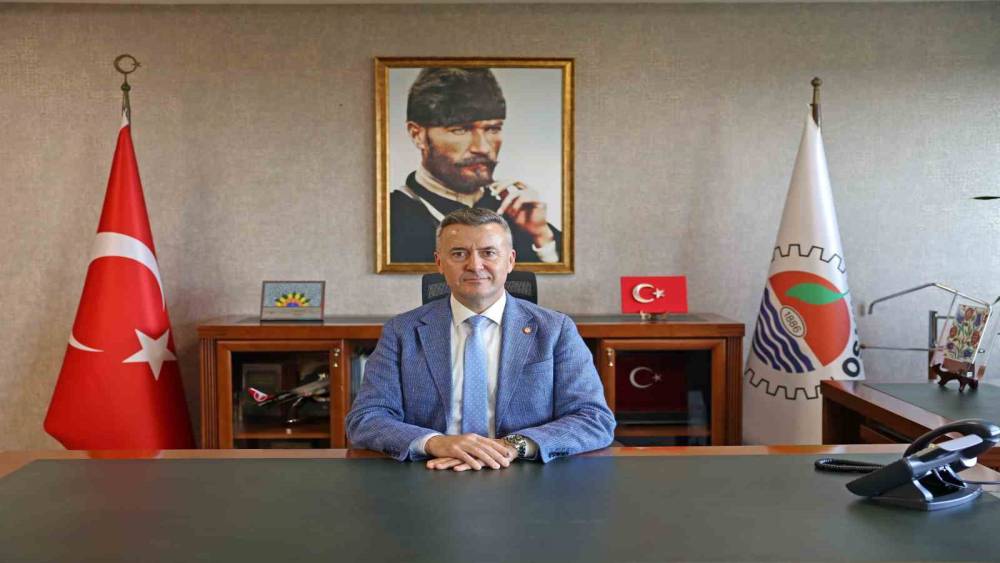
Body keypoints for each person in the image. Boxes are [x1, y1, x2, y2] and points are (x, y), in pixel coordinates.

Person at [348, 208, 614, 469]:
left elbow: (593, 419)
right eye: (459, 253)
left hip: (525, 471)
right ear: (439, 263)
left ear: (510, 260)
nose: (475, 265)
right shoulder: (401, 331)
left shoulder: (555, 330)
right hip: (431, 470)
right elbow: (366, 418)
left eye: (488, 253)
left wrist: (512, 446)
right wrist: (435, 442)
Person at [390, 67, 563, 264]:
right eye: (460, 130)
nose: (482, 148)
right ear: (417, 135)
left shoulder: (520, 217)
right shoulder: (389, 219)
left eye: (492, 129)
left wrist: (541, 237)